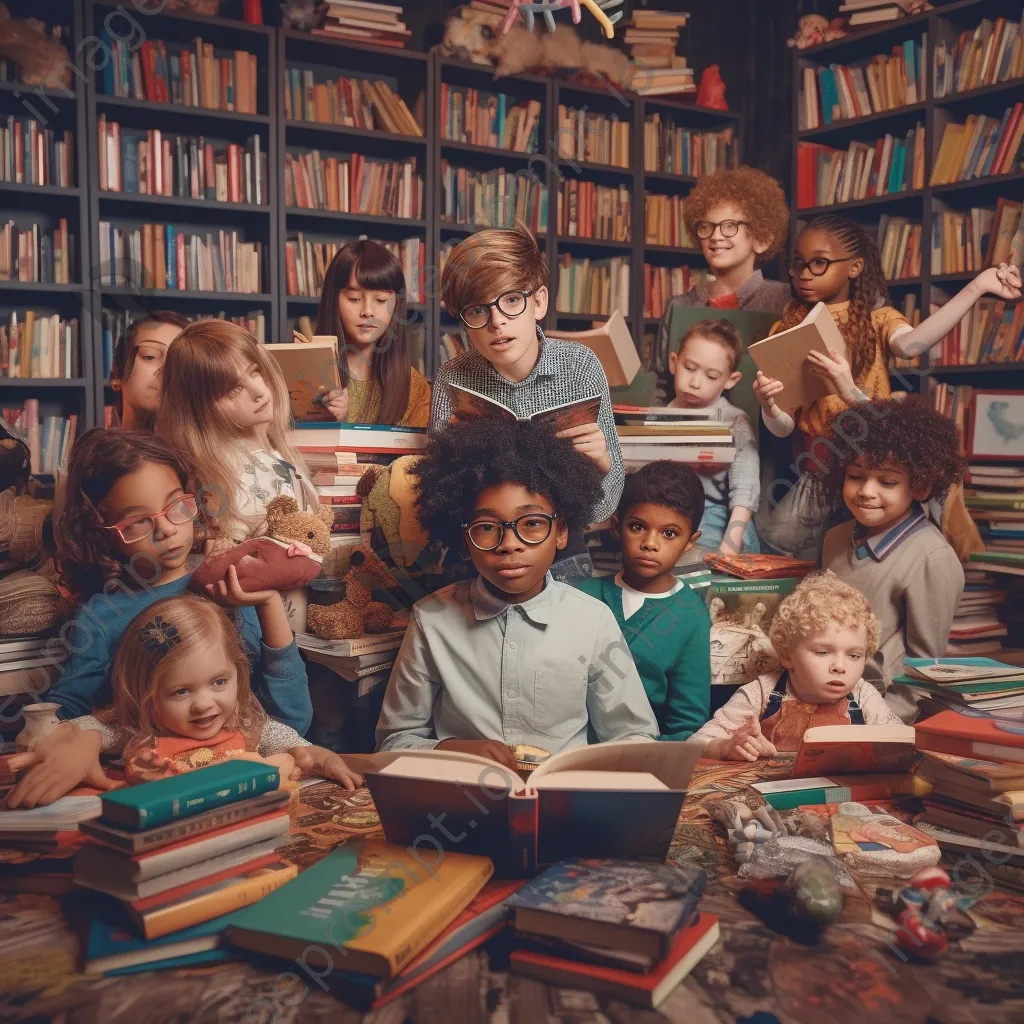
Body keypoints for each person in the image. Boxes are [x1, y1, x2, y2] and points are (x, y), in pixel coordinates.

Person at [6, 430, 312, 809]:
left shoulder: (227, 587)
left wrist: (266, 604)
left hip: (242, 779)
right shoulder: (101, 617)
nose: (166, 528)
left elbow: (292, 722)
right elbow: (70, 713)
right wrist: (74, 738)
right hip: (152, 786)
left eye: (177, 506)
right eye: (137, 522)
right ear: (104, 534)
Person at [376, 419, 659, 767]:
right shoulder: (431, 619)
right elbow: (394, 742)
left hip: (563, 803)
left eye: (533, 524)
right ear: (464, 539)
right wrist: (453, 750)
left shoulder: (593, 621)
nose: (509, 545)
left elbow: (635, 736)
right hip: (462, 802)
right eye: (486, 528)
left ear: (561, 532)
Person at [753, 214, 1021, 559]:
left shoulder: (877, 320)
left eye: (819, 263)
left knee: (881, 557)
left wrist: (978, 286)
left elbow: (913, 345)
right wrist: (769, 406)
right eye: (798, 264)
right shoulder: (787, 329)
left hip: (877, 467)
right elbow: (784, 426)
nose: (804, 273)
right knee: (787, 551)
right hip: (819, 471)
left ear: (855, 267)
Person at [431, 225, 623, 581]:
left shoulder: (580, 366)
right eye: (477, 310)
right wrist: (451, 466)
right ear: (463, 322)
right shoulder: (452, 377)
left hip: (562, 547)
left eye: (511, 300)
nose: (497, 321)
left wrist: (600, 468)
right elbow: (439, 508)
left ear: (538, 302)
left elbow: (606, 507)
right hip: (483, 549)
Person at [63, 595, 361, 788]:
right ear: (146, 695)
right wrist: (88, 737)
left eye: (219, 682)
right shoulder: (137, 735)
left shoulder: (250, 727)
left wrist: (324, 759)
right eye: (180, 692)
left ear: (238, 673)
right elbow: (71, 732)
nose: (204, 704)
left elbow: (301, 749)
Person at [819, 396, 966, 721]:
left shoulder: (932, 557)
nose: (867, 491)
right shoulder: (835, 539)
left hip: (878, 716)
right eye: (856, 476)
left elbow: (926, 669)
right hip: (819, 697)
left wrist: (883, 726)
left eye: (887, 481)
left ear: (921, 485)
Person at [693, 571, 902, 760]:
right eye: (822, 652)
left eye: (854, 656)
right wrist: (726, 747)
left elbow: (902, 745)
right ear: (787, 654)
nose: (840, 666)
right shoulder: (761, 693)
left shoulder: (864, 696)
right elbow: (696, 743)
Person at [575, 461, 711, 740]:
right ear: (616, 527)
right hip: (568, 749)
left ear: (690, 541)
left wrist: (644, 756)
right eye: (637, 527)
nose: (650, 543)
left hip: (642, 756)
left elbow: (687, 725)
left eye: (669, 533)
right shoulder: (583, 595)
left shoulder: (691, 616)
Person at [156, 320, 318, 547]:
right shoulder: (227, 473)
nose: (258, 392)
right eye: (233, 390)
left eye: (255, 372)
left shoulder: (278, 450)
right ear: (199, 407)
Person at [653, 166, 790, 372]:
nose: (716, 236)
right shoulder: (678, 306)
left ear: (762, 239)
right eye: (706, 226)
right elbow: (661, 386)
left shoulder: (784, 301)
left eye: (730, 226)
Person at [314, 239, 431, 426]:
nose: (367, 311)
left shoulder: (413, 387)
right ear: (333, 300)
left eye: (381, 300)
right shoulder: (311, 375)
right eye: (354, 299)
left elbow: (420, 454)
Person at [668, 318, 760, 554]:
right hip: (668, 513)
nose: (695, 382)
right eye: (689, 368)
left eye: (711, 376)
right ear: (673, 363)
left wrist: (728, 548)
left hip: (720, 518)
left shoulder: (735, 422)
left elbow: (744, 493)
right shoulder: (659, 416)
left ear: (731, 380)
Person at [109, 311, 191, 431]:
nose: (167, 369)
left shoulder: (210, 448)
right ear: (117, 372)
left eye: (180, 360)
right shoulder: (97, 448)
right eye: (150, 356)